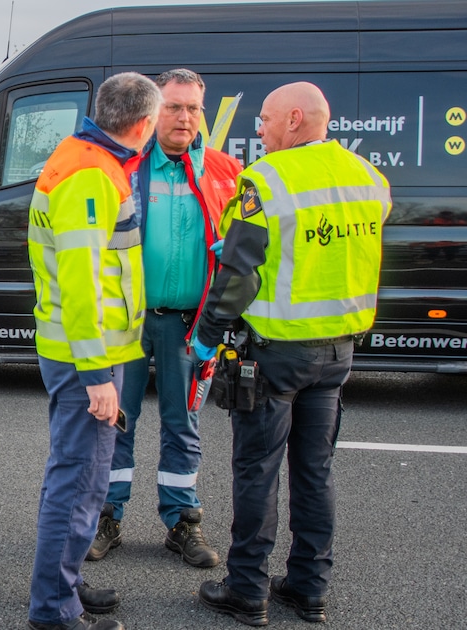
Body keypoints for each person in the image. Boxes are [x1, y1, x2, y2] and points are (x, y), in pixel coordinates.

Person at [189, 82, 392, 626]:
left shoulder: (267, 181)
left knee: (257, 471)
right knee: (315, 471)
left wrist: (206, 335)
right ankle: (308, 586)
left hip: (275, 355)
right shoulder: (368, 177)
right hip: (338, 354)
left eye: (266, 119)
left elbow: (238, 275)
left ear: (296, 119)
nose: (259, 129)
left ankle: (247, 590)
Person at [88, 69, 242, 568]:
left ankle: (182, 522)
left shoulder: (225, 171)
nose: (183, 117)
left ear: (203, 113)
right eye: (173, 107)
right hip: (129, 322)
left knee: (183, 424)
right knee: (115, 421)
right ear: (154, 113)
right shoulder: (126, 168)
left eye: (193, 108)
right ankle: (105, 516)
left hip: (188, 326)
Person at [26, 72, 161, 630]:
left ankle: (66, 585)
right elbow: (82, 282)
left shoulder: (84, 158)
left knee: (78, 476)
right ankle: (55, 610)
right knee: (80, 481)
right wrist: (97, 374)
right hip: (88, 354)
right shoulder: (92, 175)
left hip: (82, 349)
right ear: (146, 124)